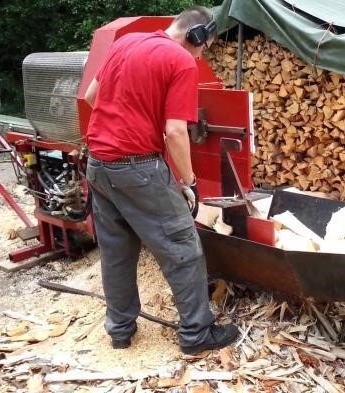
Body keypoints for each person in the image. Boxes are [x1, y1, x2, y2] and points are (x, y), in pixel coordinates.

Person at [83, 6, 238, 354]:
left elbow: (92, 97)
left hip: (98, 163)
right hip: (138, 167)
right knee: (182, 247)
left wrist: (123, 124)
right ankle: (197, 334)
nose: (203, 54)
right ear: (196, 36)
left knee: (117, 252)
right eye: (205, 46)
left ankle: (120, 331)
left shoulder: (125, 43)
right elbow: (175, 131)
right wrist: (189, 180)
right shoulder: (181, 60)